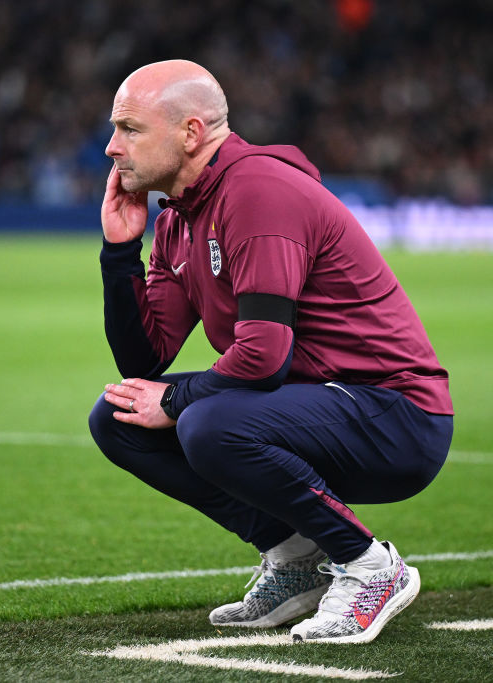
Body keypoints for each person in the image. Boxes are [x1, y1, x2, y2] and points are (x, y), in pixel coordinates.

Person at [88, 59, 453, 644]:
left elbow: (262, 357)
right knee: (119, 415)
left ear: (190, 133)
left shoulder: (257, 191)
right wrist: (118, 255)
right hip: (317, 404)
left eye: (129, 129)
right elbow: (144, 360)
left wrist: (179, 399)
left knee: (205, 421)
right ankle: (295, 556)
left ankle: (369, 566)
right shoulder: (178, 219)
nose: (111, 147)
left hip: (398, 414)